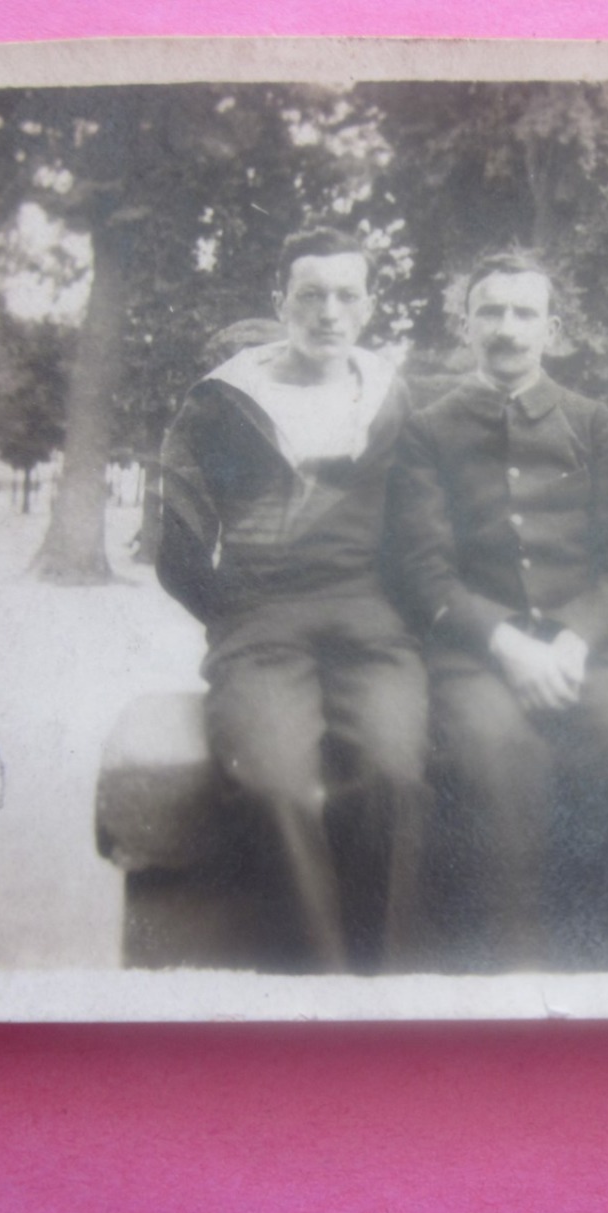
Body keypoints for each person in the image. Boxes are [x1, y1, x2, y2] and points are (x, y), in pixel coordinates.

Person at [157, 227, 428, 972]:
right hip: (258, 616)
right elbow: (176, 549)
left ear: (367, 306)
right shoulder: (220, 403)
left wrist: (400, 617)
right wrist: (238, 613)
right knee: (273, 781)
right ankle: (319, 986)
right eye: (310, 295)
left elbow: (415, 528)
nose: (328, 312)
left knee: (394, 770)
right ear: (282, 304)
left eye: (346, 295)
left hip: (369, 616)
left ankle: (380, 982)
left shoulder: (389, 396)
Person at [386, 253, 608, 969]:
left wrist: (574, 639)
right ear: (465, 325)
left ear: (553, 329)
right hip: (478, 652)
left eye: (524, 313)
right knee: (491, 752)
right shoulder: (428, 428)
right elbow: (423, 568)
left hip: (590, 650)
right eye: (490, 312)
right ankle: (507, 976)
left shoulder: (593, 422)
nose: (507, 329)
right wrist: (506, 644)